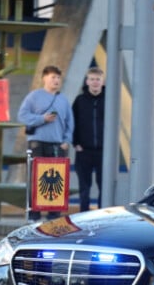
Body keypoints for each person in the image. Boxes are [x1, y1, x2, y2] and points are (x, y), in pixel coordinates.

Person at [18, 65, 74, 221]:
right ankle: (33, 215)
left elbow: (70, 122)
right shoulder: (34, 96)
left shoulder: (63, 100)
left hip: (57, 145)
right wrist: (42, 119)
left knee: (57, 181)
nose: (56, 81)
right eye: (53, 77)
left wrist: (66, 140)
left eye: (58, 78)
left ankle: (53, 216)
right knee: (36, 179)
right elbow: (22, 116)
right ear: (44, 78)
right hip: (37, 143)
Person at [72, 67, 105, 212]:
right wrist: (75, 143)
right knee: (84, 187)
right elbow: (72, 122)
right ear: (87, 81)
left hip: (103, 152)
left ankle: (102, 215)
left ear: (102, 82)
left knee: (104, 186)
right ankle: (83, 215)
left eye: (98, 79)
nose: (95, 82)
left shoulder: (109, 100)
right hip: (83, 150)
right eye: (92, 79)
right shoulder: (79, 101)